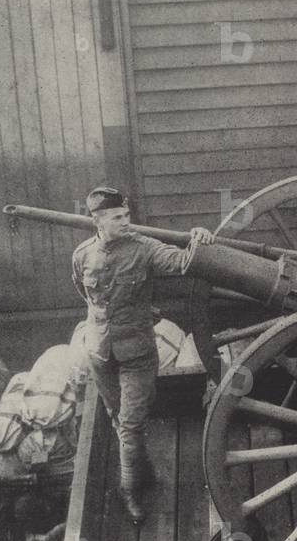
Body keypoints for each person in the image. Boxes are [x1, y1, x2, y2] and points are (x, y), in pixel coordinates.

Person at [72, 186, 215, 524]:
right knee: (115, 416)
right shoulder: (82, 255)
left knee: (131, 424)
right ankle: (143, 472)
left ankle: (128, 490)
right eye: (117, 217)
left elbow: (183, 262)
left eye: (126, 215)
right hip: (99, 352)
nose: (126, 221)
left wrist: (199, 238)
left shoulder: (145, 248)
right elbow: (84, 293)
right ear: (98, 220)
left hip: (137, 353)